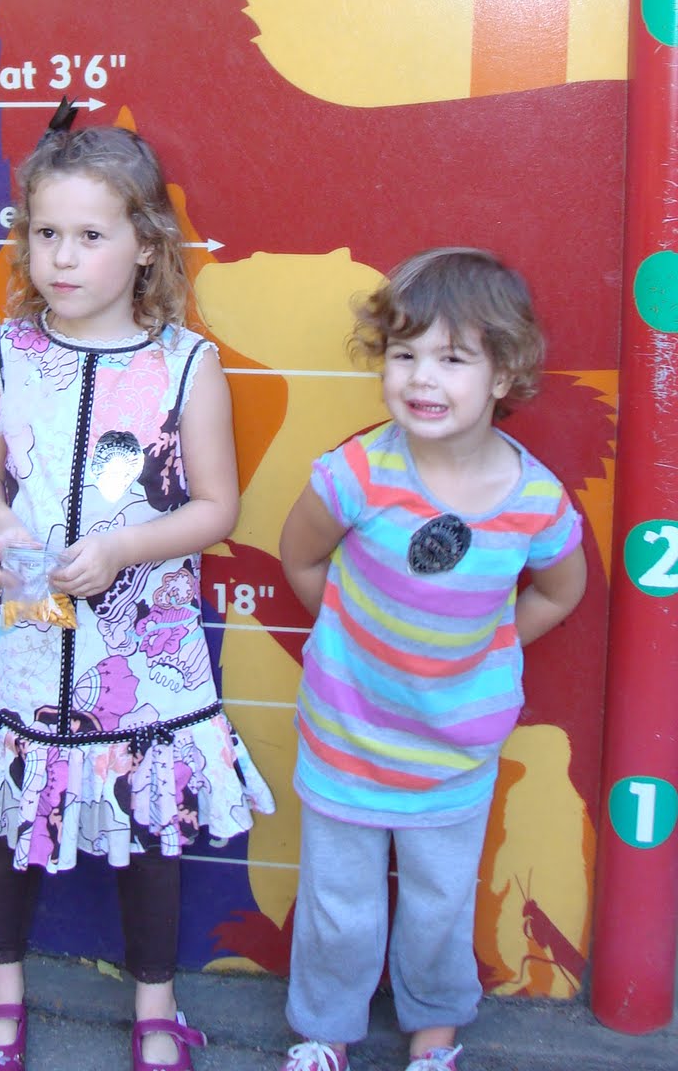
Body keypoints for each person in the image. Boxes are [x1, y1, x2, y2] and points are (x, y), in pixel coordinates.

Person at [0, 111, 274, 1071]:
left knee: (149, 826)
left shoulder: (186, 364)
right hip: (25, 643)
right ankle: (1, 991)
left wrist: (124, 549)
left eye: (90, 235)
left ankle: (156, 1004)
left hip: (143, 652)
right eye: (46, 233)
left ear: (146, 245)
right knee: (7, 814)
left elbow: (217, 507)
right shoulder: (8, 351)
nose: (64, 258)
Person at [278, 247, 587, 1071]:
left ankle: (435, 1028)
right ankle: (326, 1029)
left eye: (453, 359)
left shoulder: (534, 502)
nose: (422, 377)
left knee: (438, 904)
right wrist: (353, 643)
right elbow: (300, 558)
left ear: (503, 373)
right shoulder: (356, 474)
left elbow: (560, 591)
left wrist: (488, 648)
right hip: (347, 740)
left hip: (453, 755)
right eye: (404, 353)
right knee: (338, 905)